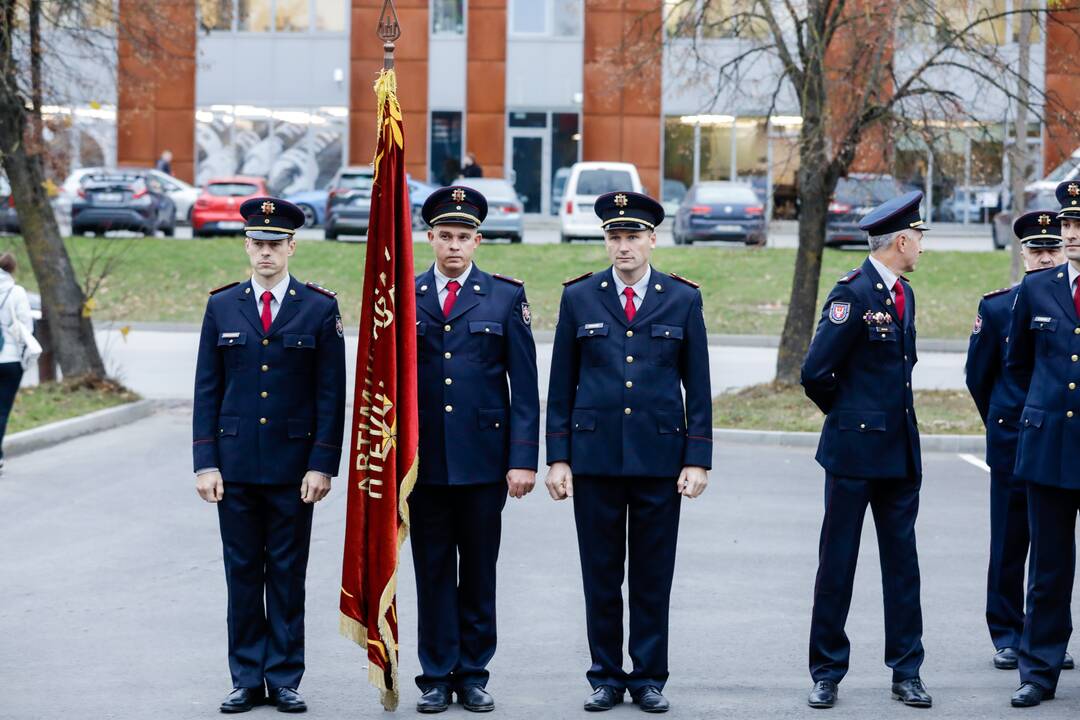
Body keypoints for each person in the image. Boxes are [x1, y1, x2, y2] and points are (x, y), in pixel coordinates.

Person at [544, 191, 712, 714]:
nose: (623, 247)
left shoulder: (682, 298)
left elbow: (699, 386)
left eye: (632, 237)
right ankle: (606, 676)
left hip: (660, 460)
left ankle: (648, 677)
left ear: (651, 240)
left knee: (651, 573)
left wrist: (697, 459)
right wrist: (559, 458)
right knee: (600, 573)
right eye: (615, 237)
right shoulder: (580, 297)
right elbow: (562, 385)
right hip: (594, 460)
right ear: (606, 241)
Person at [192, 197, 346, 714]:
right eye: (257, 244)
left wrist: (322, 463)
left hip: (292, 468)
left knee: (285, 573)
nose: (265, 254)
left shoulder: (320, 308)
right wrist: (205, 462)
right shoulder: (222, 306)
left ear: (291, 247)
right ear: (246, 246)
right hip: (234, 467)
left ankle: (283, 677)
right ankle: (245, 676)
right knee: (241, 573)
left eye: (274, 245)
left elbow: (331, 393)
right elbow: (207, 390)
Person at [409, 186, 540, 714]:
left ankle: (474, 673)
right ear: (430, 238)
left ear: (478, 240)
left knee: (479, 570)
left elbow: (525, 387)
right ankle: (436, 674)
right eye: (445, 236)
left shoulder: (505, 297)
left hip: (485, 461)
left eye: (464, 237)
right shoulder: (404, 294)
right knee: (433, 570)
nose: (454, 246)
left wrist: (522, 458)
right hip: (424, 463)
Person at [800, 191, 932, 709]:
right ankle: (827, 671)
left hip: (899, 455)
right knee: (839, 564)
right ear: (901, 241)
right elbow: (815, 372)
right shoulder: (851, 295)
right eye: (918, 237)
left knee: (904, 567)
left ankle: (907, 670)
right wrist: (848, 414)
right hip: (854, 455)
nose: (922, 247)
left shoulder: (905, 294)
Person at [965, 211, 1073, 674]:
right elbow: (981, 377)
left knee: (1050, 549)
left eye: (1053, 247)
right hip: (1014, 438)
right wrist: (1002, 423)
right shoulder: (998, 306)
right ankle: (1008, 633)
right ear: (1023, 254)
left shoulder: (1070, 299)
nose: (1046, 255)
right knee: (1011, 541)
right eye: (1037, 249)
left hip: (1060, 440)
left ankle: (1043, 637)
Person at [1006, 180, 1080, 707]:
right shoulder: (1037, 287)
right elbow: (1019, 365)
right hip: (1050, 444)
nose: (1073, 235)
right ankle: (1039, 670)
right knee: (1049, 569)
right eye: (1069, 225)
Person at [0, 252, 32, 471]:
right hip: (10, 360)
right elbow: (26, 328)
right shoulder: (17, 292)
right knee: (2, 410)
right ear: (12, 270)